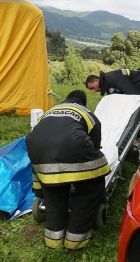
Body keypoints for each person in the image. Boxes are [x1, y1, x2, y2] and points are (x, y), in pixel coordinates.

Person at [25, 90, 108, 250]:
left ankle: (53, 240)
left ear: (66, 100)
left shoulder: (49, 112)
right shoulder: (87, 113)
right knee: (91, 187)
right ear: (83, 103)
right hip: (74, 147)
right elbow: (95, 145)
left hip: (38, 151)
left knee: (53, 193)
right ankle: (76, 239)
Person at [85, 69, 140, 144]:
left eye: (92, 88)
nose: (93, 91)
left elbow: (132, 94)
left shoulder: (112, 77)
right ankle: (136, 141)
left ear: (96, 80)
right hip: (138, 88)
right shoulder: (107, 83)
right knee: (136, 115)